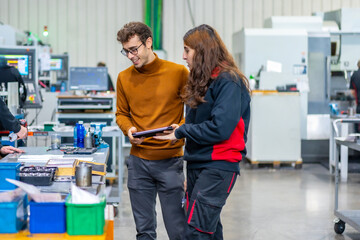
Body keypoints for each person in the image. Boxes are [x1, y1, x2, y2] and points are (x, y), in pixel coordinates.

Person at [154, 24, 251, 240]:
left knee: (196, 231)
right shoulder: (205, 81)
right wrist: (181, 132)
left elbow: (221, 128)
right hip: (200, 163)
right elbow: (196, 123)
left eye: (187, 50)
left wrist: (183, 131)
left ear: (202, 51)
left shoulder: (229, 81)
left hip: (218, 165)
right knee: (209, 229)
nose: (183, 56)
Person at [115, 22, 189, 240]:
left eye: (133, 49)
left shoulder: (178, 73)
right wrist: (129, 130)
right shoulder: (124, 78)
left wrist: (180, 128)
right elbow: (121, 114)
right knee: (144, 233)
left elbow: (194, 112)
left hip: (170, 162)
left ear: (148, 43)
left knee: (178, 231)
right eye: (126, 51)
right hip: (138, 164)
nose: (130, 56)